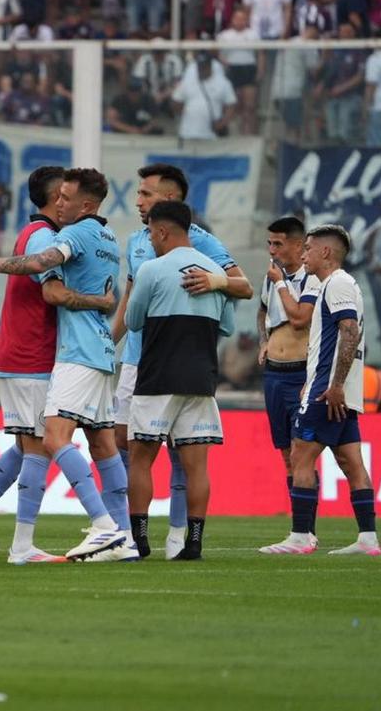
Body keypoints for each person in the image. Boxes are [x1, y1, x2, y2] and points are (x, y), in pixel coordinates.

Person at [0, 168, 133, 562]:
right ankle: (123, 536)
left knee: (49, 440)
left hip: (69, 352)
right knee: (94, 442)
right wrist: (101, 303)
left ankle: (103, 528)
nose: (60, 203)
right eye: (59, 196)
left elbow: (45, 272)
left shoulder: (68, 235)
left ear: (83, 205)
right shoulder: (107, 235)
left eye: (67, 197)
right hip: (96, 349)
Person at [110, 164, 253, 558]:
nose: (138, 200)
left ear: (168, 204)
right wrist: (109, 346)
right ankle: (187, 539)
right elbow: (227, 325)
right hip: (193, 369)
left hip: (156, 367)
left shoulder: (197, 247)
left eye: (146, 193)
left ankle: (151, 535)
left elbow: (243, 286)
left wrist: (218, 282)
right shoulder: (137, 242)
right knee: (181, 455)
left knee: (145, 453)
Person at [260, 225, 381, 557]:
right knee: (350, 461)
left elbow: (350, 331)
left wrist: (334, 385)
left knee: (300, 455)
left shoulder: (337, 283)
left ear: (326, 252)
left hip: (328, 391)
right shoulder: (339, 284)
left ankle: (301, 536)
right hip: (335, 389)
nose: (304, 255)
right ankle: (368, 538)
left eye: (309, 249)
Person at [125, 201, 236, 561]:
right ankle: (195, 542)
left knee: (140, 459)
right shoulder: (215, 272)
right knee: (196, 466)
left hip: (157, 377)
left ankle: (140, 539)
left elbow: (132, 321)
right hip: (201, 378)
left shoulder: (152, 269)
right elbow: (228, 327)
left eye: (151, 234)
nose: (150, 240)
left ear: (161, 231)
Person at [256, 217, 316, 515]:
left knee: (302, 453)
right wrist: (264, 340)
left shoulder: (312, 278)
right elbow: (262, 311)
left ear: (297, 244)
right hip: (274, 374)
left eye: (278, 244)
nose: (272, 250)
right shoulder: (271, 278)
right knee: (286, 454)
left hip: (301, 373)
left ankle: (307, 527)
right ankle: (298, 524)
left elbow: (299, 319)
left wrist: (280, 282)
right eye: (269, 243)